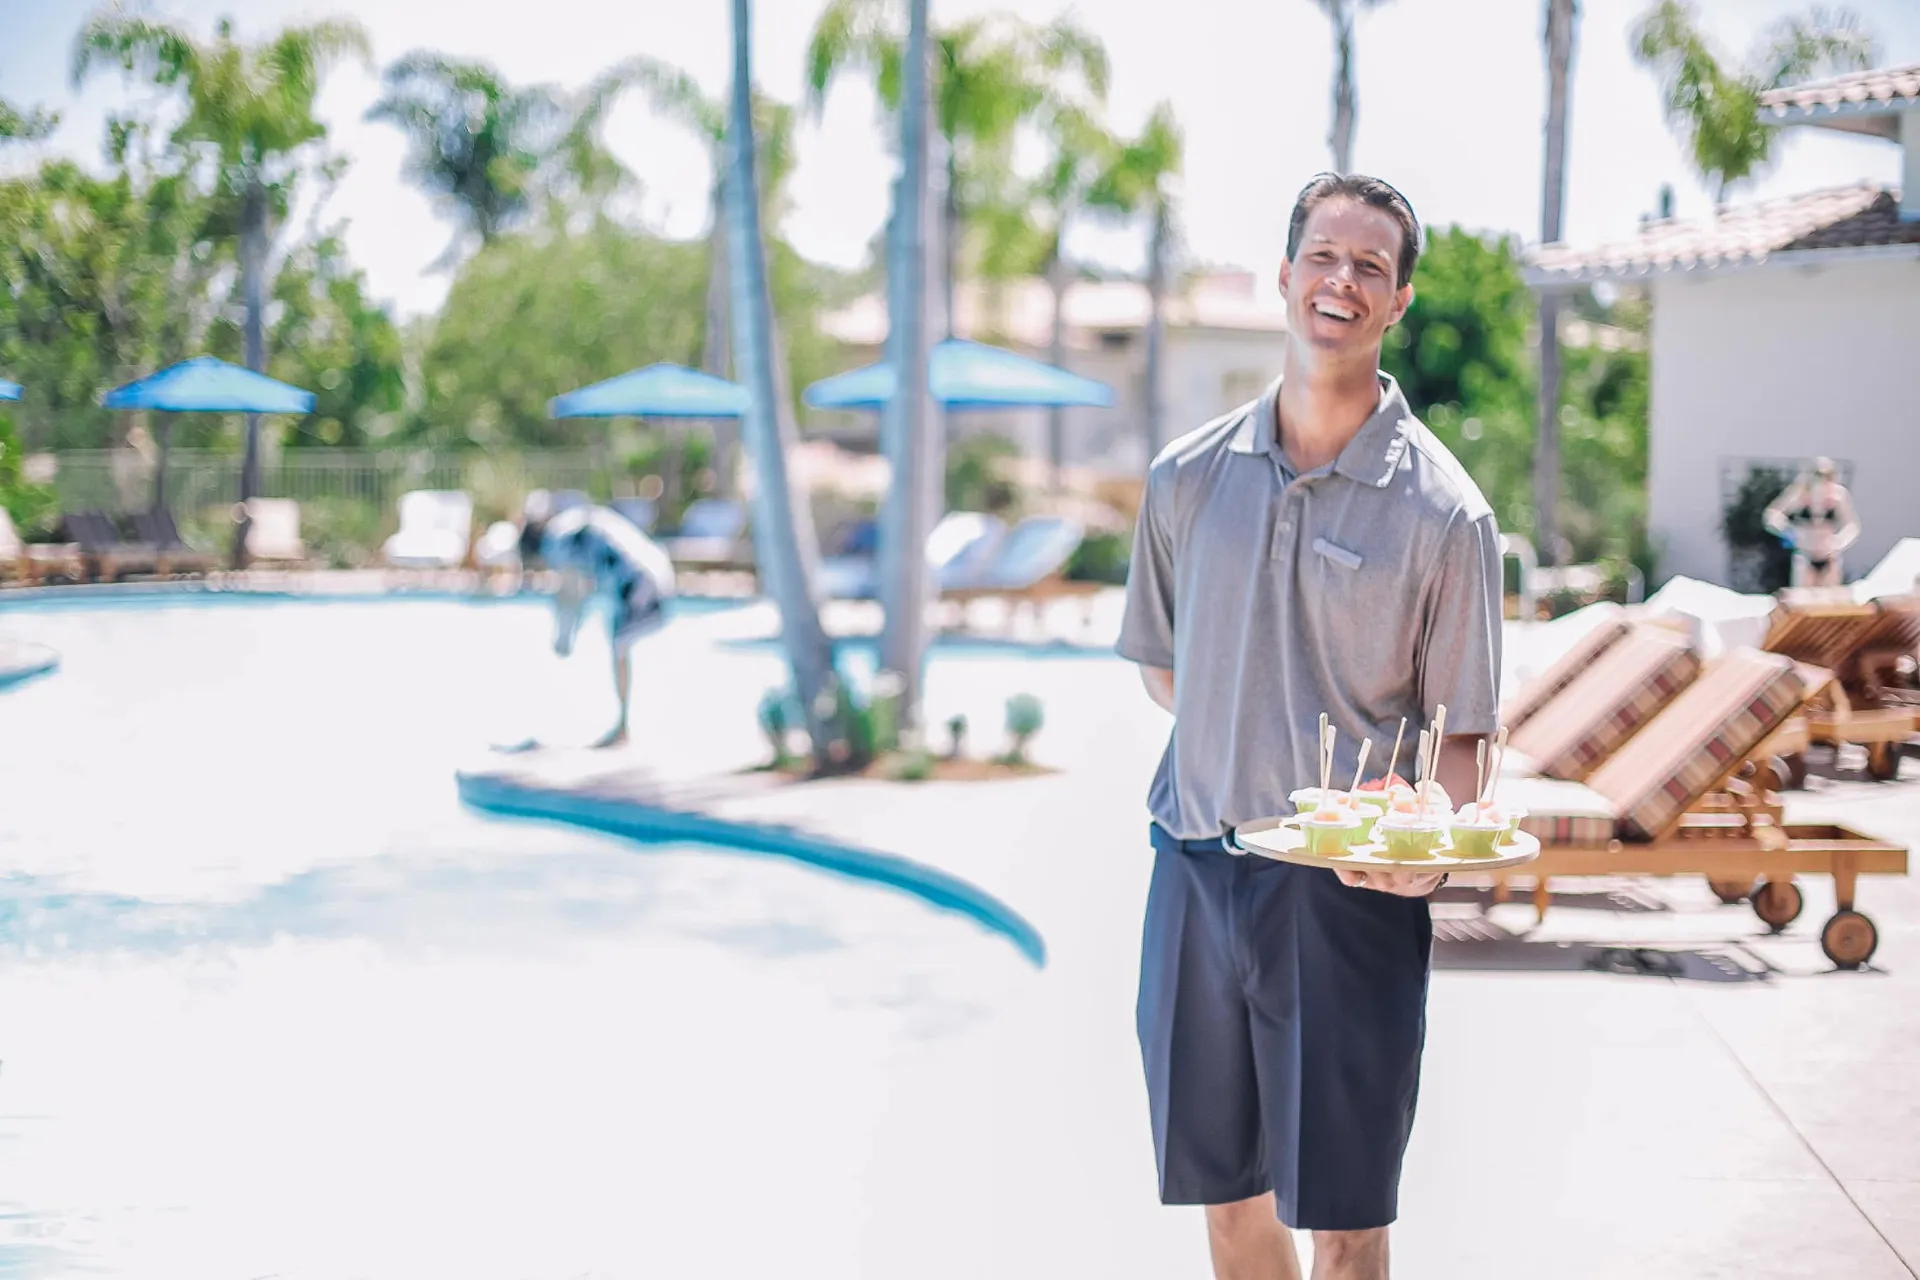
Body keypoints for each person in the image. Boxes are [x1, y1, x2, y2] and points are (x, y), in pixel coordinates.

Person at [1117, 173, 1502, 1280]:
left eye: (1370, 266)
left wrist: (1429, 838)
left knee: (1344, 1223)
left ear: (1399, 303)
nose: (1342, 280)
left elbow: (1464, 737)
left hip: (1342, 898)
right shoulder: (1183, 478)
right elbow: (1164, 669)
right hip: (1189, 873)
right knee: (1230, 1204)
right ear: (1287, 276)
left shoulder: (1446, 512)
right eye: (1323, 257)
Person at [519, 490, 677, 749]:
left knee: (619, 646)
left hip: (639, 584)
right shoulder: (572, 521)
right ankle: (622, 725)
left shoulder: (555, 541)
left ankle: (622, 728)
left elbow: (572, 592)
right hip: (656, 571)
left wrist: (564, 637)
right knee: (619, 644)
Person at [1763, 458, 1860, 588]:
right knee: (1803, 597)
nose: (1821, 479)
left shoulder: (1838, 495)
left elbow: (1852, 526)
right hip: (1805, 553)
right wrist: (1791, 532)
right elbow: (1771, 516)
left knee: (1829, 598)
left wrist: (1839, 542)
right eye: (1817, 474)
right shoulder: (1799, 494)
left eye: (1826, 475)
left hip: (1829, 555)